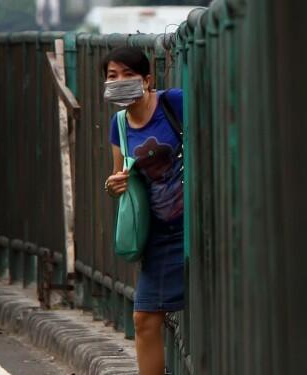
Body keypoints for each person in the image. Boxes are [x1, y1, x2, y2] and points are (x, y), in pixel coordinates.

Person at [102, 46, 184, 375]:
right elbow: (121, 178)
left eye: (128, 75)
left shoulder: (174, 103)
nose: (119, 81)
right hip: (160, 235)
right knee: (145, 317)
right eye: (111, 76)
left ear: (147, 79)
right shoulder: (118, 124)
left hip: (198, 224)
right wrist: (111, 186)